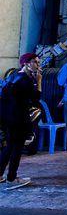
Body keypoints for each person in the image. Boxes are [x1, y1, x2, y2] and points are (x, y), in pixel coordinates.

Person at [1, 54, 42, 189]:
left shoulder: (12, 76)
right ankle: (12, 178)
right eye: (35, 62)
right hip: (18, 119)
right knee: (17, 148)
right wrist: (39, 81)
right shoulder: (25, 80)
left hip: (8, 118)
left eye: (38, 62)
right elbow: (36, 98)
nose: (37, 65)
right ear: (26, 64)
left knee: (9, 147)